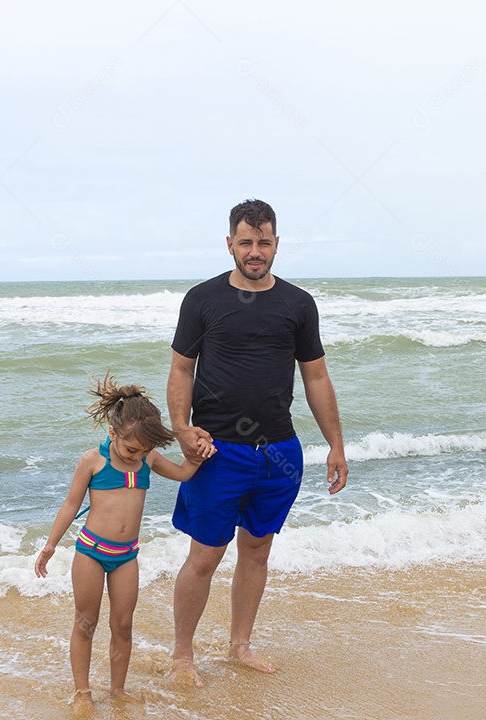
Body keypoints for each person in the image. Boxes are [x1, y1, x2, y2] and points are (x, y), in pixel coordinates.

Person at [167, 198, 349, 686]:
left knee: (257, 551)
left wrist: (335, 443)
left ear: (275, 244)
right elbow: (182, 367)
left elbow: (315, 377)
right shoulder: (202, 299)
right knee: (205, 555)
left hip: (278, 453)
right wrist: (182, 429)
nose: (254, 251)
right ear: (230, 243)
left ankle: (239, 644)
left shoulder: (297, 304)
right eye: (245, 242)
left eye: (263, 242)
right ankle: (182, 655)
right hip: (217, 452)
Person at [35, 373, 215, 707]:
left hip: (126, 556)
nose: (137, 455)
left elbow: (183, 473)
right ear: (112, 432)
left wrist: (200, 452)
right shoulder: (93, 461)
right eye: (131, 448)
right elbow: (71, 504)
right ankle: (82, 692)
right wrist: (50, 545)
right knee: (86, 622)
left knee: (124, 625)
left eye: (144, 450)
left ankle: (117, 690)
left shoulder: (147, 459)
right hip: (91, 552)